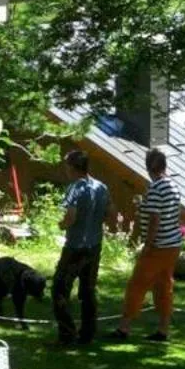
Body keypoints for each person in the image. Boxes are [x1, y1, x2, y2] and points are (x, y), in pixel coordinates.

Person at [115, 146, 184, 342]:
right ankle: (163, 329)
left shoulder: (155, 187)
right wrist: (143, 205)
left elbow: (155, 218)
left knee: (137, 284)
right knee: (164, 286)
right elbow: (167, 211)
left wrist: (148, 243)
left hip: (158, 246)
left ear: (149, 168)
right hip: (173, 244)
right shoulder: (173, 185)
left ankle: (124, 327)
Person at [53, 147, 108, 346]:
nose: (65, 169)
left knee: (59, 289)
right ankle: (87, 334)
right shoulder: (101, 187)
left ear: (73, 167)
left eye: (67, 165)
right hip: (95, 245)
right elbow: (109, 211)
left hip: (76, 247)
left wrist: (62, 225)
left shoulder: (75, 188)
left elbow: (71, 216)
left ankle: (67, 335)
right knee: (88, 290)